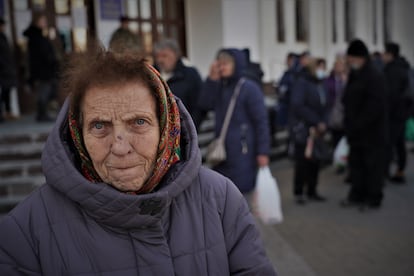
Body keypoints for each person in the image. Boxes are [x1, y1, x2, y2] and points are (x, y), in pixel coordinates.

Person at [0, 46, 276, 275]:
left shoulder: (221, 200)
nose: (120, 147)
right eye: (99, 126)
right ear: (78, 135)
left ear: (165, 128)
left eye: (139, 122)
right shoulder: (25, 232)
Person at [198, 48, 270, 196]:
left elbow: (261, 121)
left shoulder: (249, 88)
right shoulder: (220, 86)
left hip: (243, 152)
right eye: (220, 63)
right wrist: (211, 80)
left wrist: (263, 151)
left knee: (239, 193)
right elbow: (204, 104)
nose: (221, 67)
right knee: (223, 193)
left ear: (236, 65)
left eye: (226, 64)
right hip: (222, 152)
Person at [341, 39, 387, 209]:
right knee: (356, 165)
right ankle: (357, 195)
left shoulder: (374, 76)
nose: (350, 62)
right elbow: (348, 98)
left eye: (352, 59)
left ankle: (373, 198)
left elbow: (375, 107)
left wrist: (358, 123)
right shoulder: (355, 75)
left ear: (360, 58)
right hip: (356, 132)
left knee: (372, 167)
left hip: (371, 133)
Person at [289, 58, 328, 205]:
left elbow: (326, 105)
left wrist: (324, 121)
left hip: (318, 130)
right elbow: (298, 105)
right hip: (304, 129)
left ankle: (312, 190)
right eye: (319, 67)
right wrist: (316, 121)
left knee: (315, 161)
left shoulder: (320, 84)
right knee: (302, 161)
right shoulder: (302, 83)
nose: (322, 70)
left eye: (323, 67)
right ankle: (299, 192)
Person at [154, 39, 203, 129]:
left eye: (164, 56)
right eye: (157, 56)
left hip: (182, 130)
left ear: (176, 55)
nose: (160, 60)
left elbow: (199, 105)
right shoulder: (151, 75)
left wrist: (190, 128)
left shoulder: (190, 75)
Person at [382, 42, 410, 183]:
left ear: (390, 54)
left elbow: (390, 95)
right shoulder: (405, 67)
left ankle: (384, 173)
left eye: (384, 53)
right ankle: (400, 171)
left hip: (393, 114)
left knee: (388, 144)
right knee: (400, 144)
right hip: (402, 113)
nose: (382, 56)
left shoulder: (391, 70)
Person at [23, 12, 59, 122]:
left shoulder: (39, 36)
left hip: (45, 70)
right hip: (42, 71)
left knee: (46, 92)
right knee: (43, 93)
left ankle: (43, 114)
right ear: (36, 22)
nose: (45, 23)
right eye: (42, 21)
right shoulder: (35, 37)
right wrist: (50, 59)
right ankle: (42, 115)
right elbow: (38, 56)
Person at [325, 55, 348, 148]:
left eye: (341, 65)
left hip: (345, 113)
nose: (339, 68)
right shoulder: (329, 80)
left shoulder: (347, 79)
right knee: (336, 137)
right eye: (337, 66)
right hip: (334, 112)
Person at [0, 17, 17, 122]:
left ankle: (8, 112)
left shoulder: (3, 37)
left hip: (7, 69)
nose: (3, 27)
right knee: (3, 92)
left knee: (7, 91)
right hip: (2, 69)